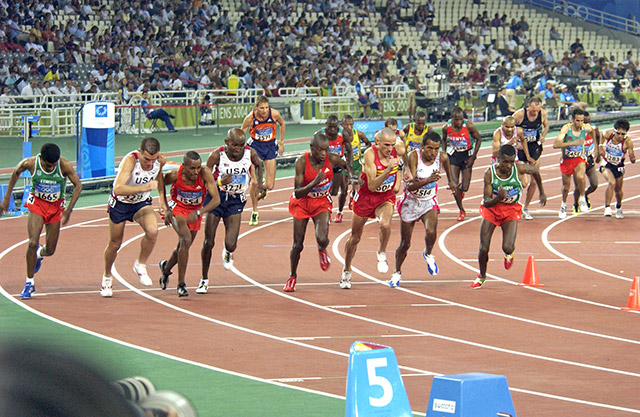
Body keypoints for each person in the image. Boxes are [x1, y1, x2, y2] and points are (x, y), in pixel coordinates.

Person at [0, 143, 82, 299]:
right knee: (32, 242)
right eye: (48, 165)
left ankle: (39, 253)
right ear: (41, 159)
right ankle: (29, 283)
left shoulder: (63, 165)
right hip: (37, 204)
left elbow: (78, 186)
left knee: (50, 250)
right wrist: (6, 198)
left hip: (56, 207)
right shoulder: (30, 163)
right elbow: (16, 172)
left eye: (53, 165)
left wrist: (69, 210)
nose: (51, 168)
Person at [285, 131, 353, 292]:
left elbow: (346, 165)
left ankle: (321, 249)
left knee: (322, 238)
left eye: (326, 150)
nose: (323, 154)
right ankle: (292, 276)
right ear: (312, 148)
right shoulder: (301, 162)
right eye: (320, 150)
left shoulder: (331, 159)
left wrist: (352, 176)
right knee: (297, 245)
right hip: (302, 203)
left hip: (321, 203)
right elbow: (297, 192)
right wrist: (314, 183)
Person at [472, 145, 547, 289]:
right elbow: (487, 202)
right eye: (505, 162)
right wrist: (498, 199)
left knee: (507, 246)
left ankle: (508, 254)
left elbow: (535, 171)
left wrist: (541, 192)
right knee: (483, 248)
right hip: (492, 210)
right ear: (498, 159)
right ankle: (482, 275)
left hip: (511, 210)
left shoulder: (518, 168)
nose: (508, 165)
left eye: (511, 162)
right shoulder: (489, 173)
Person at [101, 137, 168, 297]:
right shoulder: (130, 161)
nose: (149, 164)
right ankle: (107, 277)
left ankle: (140, 264)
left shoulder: (159, 161)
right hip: (121, 204)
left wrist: (162, 200)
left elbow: (158, 177)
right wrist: (145, 187)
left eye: (153, 159)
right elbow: (118, 189)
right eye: (146, 159)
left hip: (140, 203)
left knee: (153, 230)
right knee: (115, 243)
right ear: (139, 153)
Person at [197, 128, 261, 294]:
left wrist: (259, 184)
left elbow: (259, 165)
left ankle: (228, 252)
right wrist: (219, 182)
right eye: (234, 145)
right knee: (208, 242)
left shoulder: (250, 154)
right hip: (216, 198)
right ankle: (204, 279)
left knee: (231, 243)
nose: (238, 148)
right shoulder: (216, 155)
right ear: (226, 142)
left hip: (235, 200)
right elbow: (204, 178)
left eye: (241, 145)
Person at [341, 127, 405, 289]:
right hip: (366, 197)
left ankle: (381, 252)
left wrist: (401, 177)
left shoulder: (397, 150)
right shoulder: (370, 154)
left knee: (385, 224)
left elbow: (405, 158)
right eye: (385, 146)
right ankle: (346, 270)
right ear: (377, 143)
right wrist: (389, 170)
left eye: (392, 145)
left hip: (385, 197)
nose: (389, 150)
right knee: (355, 238)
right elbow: (372, 185)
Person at [391, 131, 456, 287]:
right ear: (422, 147)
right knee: (405, 243)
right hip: (411, 202)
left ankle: (428, 253)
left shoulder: (443, 157)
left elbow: (449, 172)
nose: (432, 153)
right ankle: (397, 272)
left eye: (435, 148)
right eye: (429, 148)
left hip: (428, 201)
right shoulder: (414, 157)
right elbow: (411, 186)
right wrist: (428, 180)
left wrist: (453, 183)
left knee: (431, 231)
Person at [158, 152, 219, 297]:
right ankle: (181, 284)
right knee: (185, 240)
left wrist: (199, 212)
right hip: (177, 209)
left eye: (198, 167)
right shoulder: (174, 175)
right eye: (192, 168)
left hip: (194, 212)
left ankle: (166, 268)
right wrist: (166, 208)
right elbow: (160, 183)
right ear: (184, 166)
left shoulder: (204, 174)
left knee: (183, 246)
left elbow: (216, 199)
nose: (195, 171)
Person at [240, 95, 286, 226]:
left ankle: (263, 188)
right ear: (256, 108)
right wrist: (241, 148)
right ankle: (255, 212)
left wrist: (281, 143)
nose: (265, 110)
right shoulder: (250, 118)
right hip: (256, 147)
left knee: (270, 186)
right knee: (255, 183)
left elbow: (282, 124)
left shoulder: (274, 114)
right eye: (261, 108)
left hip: (270, 146)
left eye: (266, 107)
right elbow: (241, 132)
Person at [441, 107, 481, 221]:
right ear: (452, 119)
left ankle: (461, 190)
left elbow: (479, 139)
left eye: (460, 120)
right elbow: (443, 140)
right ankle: (461, 209)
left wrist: (473, 157)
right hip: (453, 156)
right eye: (456, 120)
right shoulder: (446, 127)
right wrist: (444, 154)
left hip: (467, 155)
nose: (458, 122)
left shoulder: (468, 126)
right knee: (453, 184)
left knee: (465, 187)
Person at [512, 97, 549, 220]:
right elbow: (507, 127)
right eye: (533, 111)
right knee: (522, 182)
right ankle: (513, 204)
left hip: (534, 147)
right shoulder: (519, 115)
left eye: (537, 111)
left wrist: (543, 135)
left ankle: (525, 208)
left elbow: (546, 125)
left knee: (534, 181)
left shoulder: (542, 114)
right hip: (522, 148)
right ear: (528, 107)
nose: (535, 113)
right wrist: (516, 141)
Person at [552, 108, 594, 218]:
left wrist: (598, 146)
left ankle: (582, 198)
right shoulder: (566, 129)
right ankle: (563, 205)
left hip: (579, 159)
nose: (580, 123)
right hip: (567, 160)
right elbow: (556, 145)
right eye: (577, 121)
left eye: (582, 121)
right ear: (572, 119)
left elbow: (594, 132)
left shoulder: (586, 128)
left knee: (580, 177)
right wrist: (573, 143)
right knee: (566, 187)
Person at [599, 119, 636, 218]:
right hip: (607, 164)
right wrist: (600, 146)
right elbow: (601, 136)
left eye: (622, 134)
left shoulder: (628, 142)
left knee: (618, 191)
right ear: (614, 130)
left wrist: (632, 157)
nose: (620, 136)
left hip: (619, 166)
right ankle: (607, 207)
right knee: (611, 182)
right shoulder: (609, 135)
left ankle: (618, 207)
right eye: (618, 133)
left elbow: (632, 157)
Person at [323, 115, 353, 223]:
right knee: (331, 191)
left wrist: (350, 167)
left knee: (343, 189)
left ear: (337, 126)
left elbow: (349, 151)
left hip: (340, 162)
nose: (332, 129)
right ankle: (327, 211)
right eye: (330, 127)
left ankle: (340, 212)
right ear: (326, 125)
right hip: (327, 164)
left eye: (334, 127)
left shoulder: (343, 133)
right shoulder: (320, 134)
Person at [341, 115, 371, 213]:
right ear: (342, 125)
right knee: (344, 190)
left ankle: (353, 198)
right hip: (344, 165)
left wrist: (366, 154)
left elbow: (368, 143)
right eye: (346, 125)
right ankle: (340, 212)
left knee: (357, 185)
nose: (349, 127)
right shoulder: (339, 137)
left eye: (351, 125)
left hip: (356, 163)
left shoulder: (358, 134)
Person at [573, 111, 600, 213]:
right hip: (578, 160)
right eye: (585, 122)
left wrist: (598, 149)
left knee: (594, 184)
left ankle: (584, 195)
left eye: (589, 122)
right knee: (578, 186)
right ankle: (576, 203)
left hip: (589, 158)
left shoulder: (593, 128)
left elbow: (597, 136)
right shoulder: (575, 131)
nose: (587, 124)